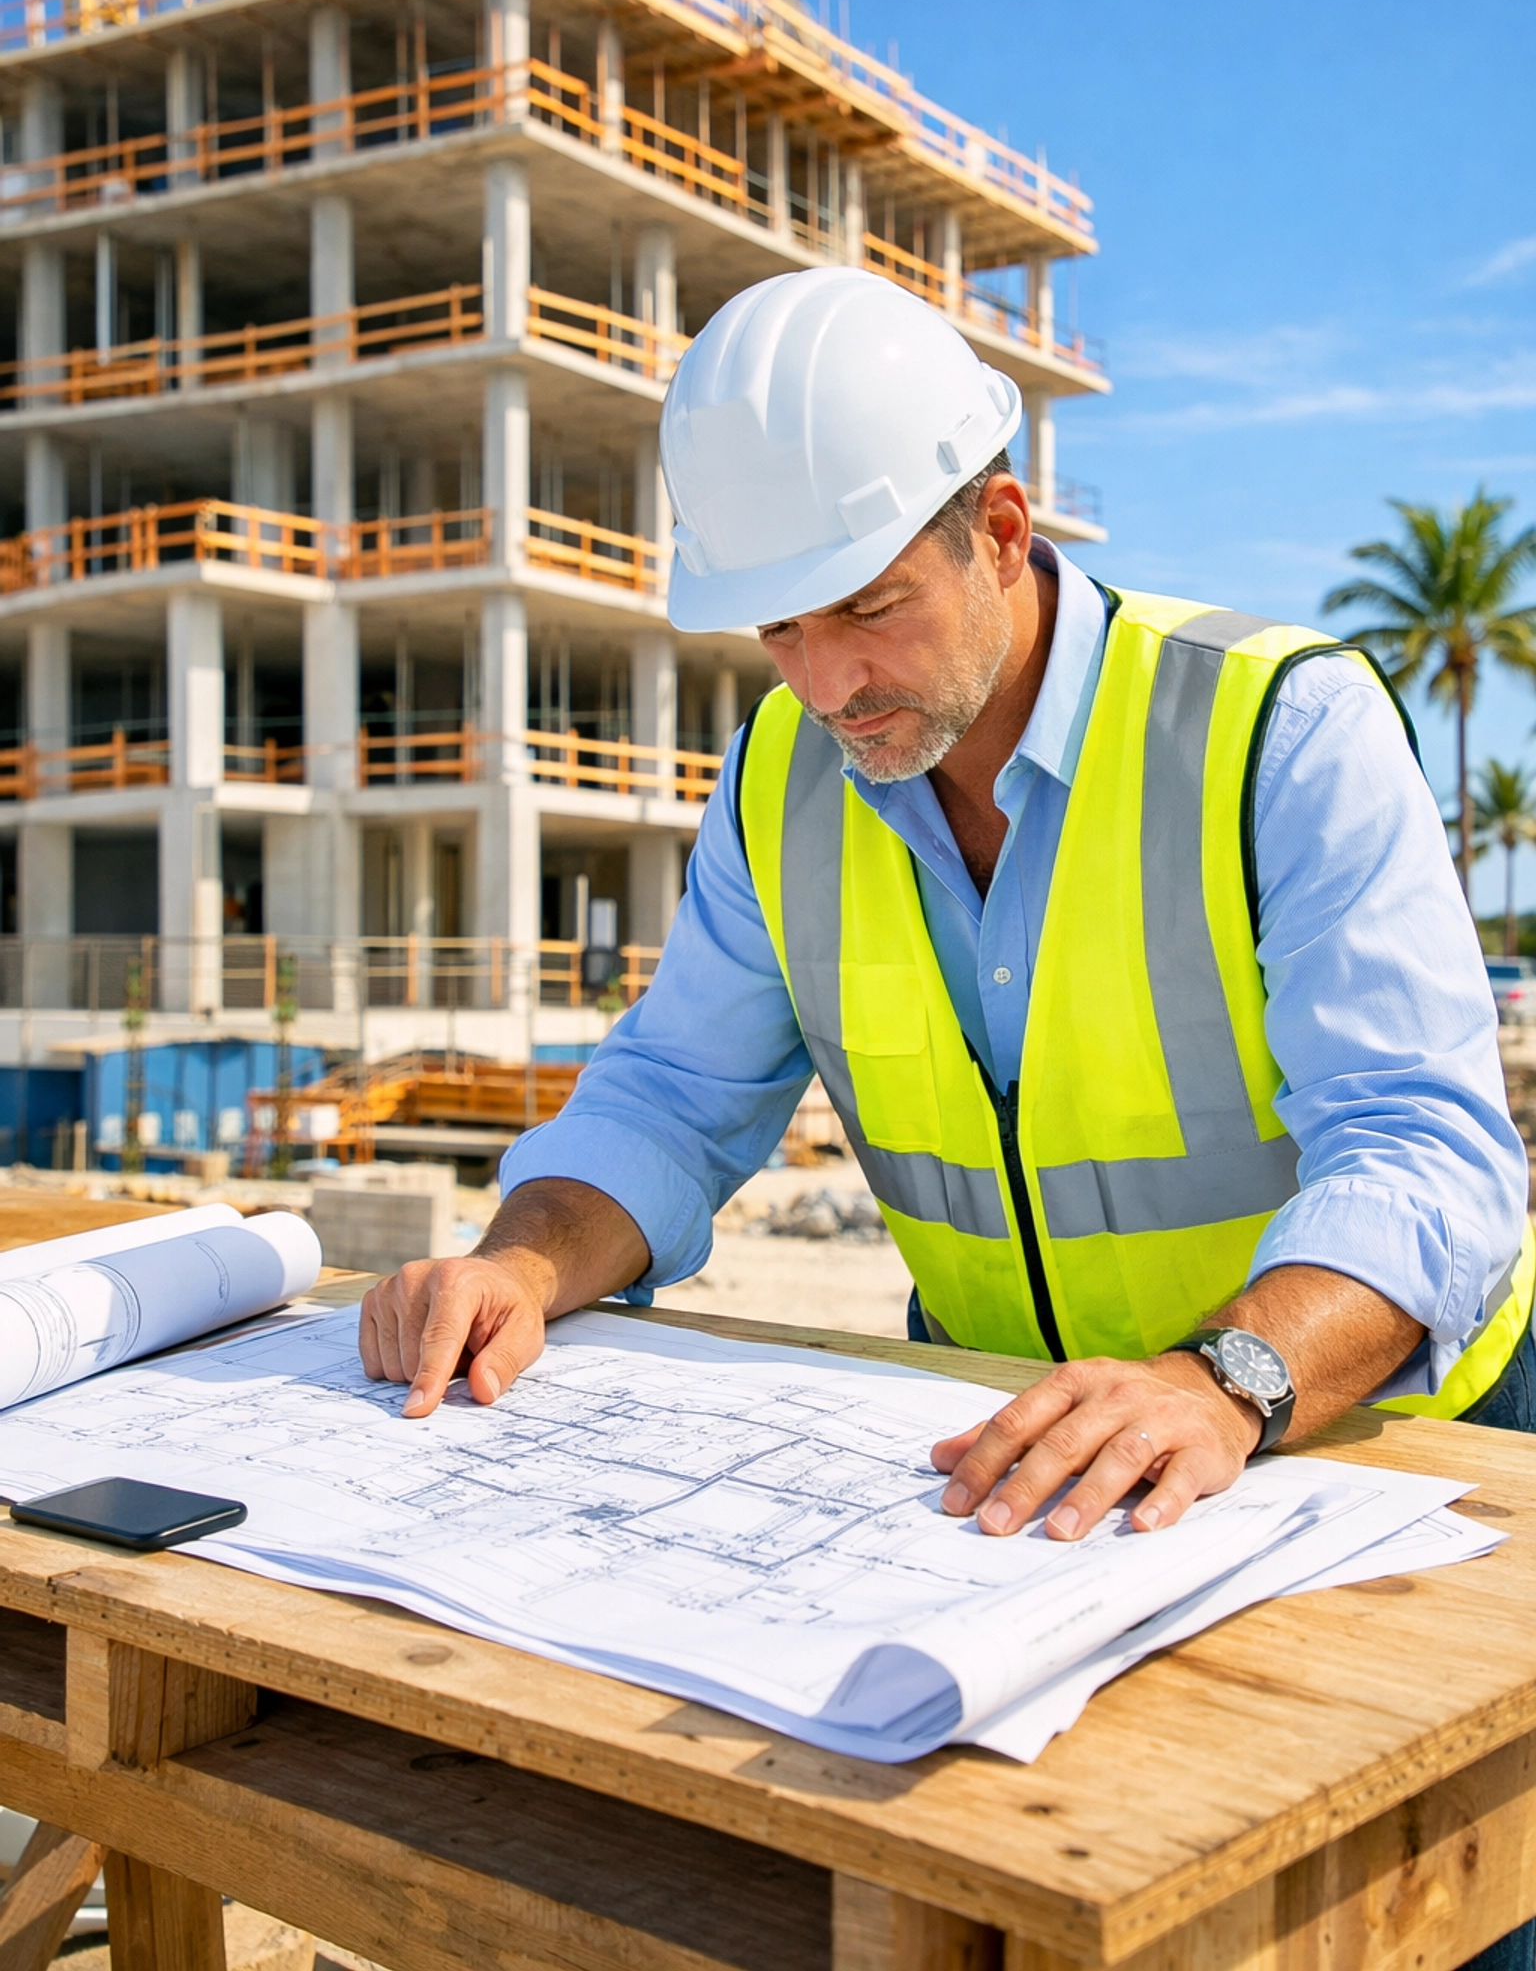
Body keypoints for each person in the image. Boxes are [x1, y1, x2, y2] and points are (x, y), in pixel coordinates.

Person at [361, 269, 1534, 1971]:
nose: (829, 686)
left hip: (1387, 1452)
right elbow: (679, 1095)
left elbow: (1429, 1149)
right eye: (781, 631)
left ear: (1001, 526)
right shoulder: (781, 784)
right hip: (1019, 1484)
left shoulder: (1276, 728)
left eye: (868, 611)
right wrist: (526, 1266)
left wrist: (1227, 1385)